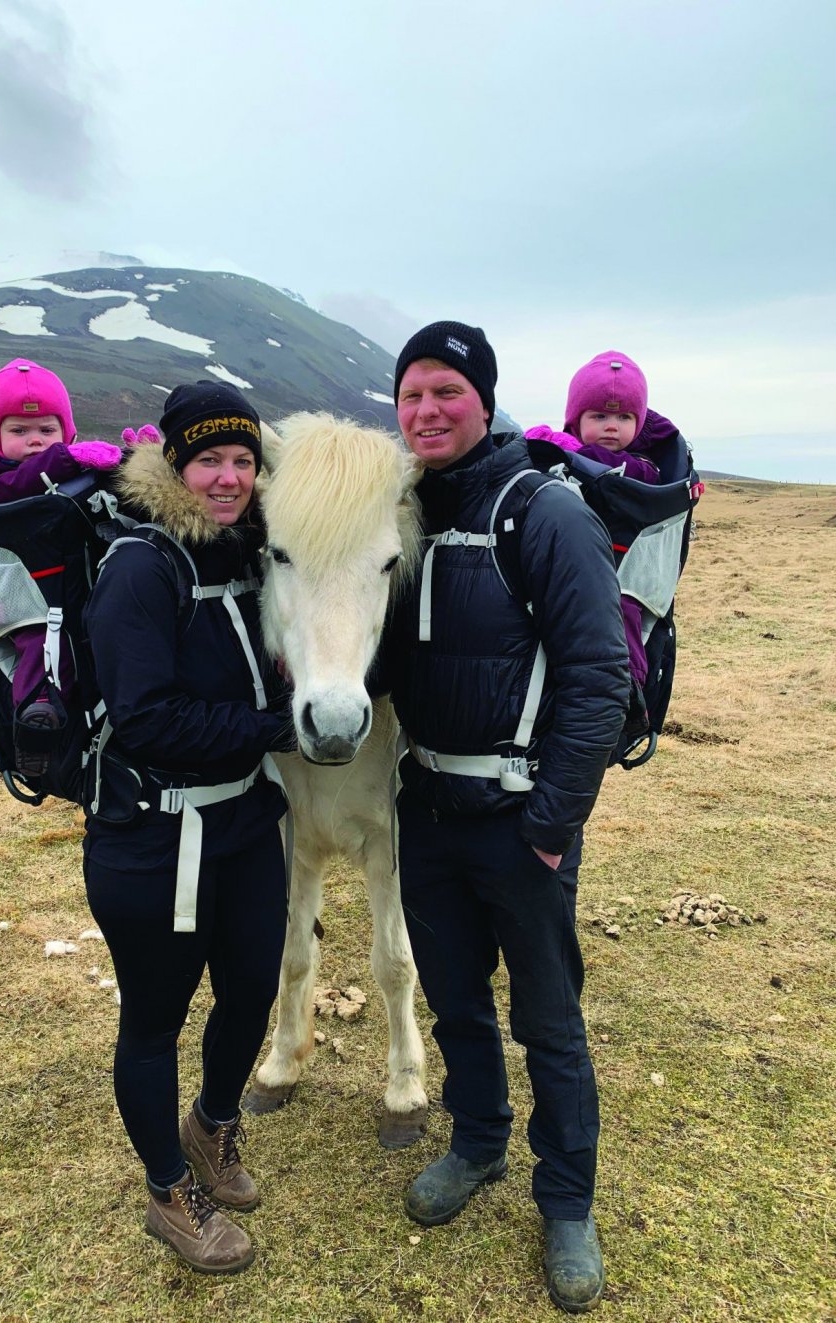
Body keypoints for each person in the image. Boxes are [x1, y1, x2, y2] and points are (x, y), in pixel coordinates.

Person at [387, 322, 630, 1314]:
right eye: (409, 395)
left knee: (548, 1018)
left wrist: (553, 819)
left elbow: (595, 674)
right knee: (453, 1000)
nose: (426, 410)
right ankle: (478, 1141)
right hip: (427, 810)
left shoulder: (541, 509)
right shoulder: (396, 515)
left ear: (482, 400)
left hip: (521, 817)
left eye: (446, 390)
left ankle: (566, 1200)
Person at [82, 380, 294, 1276]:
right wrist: (271, 728)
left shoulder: (247, 554)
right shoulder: (142, 565)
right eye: (210, 458)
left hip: (245, 819)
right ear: (174, 461)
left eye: (244, 460)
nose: (229, 477)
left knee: (251, 990)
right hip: (153, 838)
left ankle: (210, 1127)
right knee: (154, 1021)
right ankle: (171, 1191)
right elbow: (145, 717)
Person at [0, 358, 123, 773]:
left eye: (47, 430)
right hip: (18, 598)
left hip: (60, 586)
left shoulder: (59, 464)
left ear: (66, 429)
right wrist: (64, 458)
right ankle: (35, 724)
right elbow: (11, 491)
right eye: (18, 431)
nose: (35, 442)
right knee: (44, 646)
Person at [525, 350, 681, 695]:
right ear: (575, 420)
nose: (612, 426)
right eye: (599, 415)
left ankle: (630, 692)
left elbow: (607, 467)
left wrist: (559, 446)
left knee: (621, 618)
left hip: (622, 575)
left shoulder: (643, 466)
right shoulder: (562, 465)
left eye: (625, 416)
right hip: (567, 569)